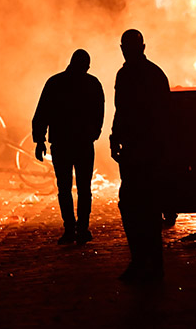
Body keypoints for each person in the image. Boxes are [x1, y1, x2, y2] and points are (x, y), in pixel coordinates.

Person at [111, 29, 170, 283]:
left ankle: (144, 262)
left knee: (136, 205)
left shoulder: (129, 75)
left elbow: (123, 110)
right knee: (143, 205)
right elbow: (122, 109)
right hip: (143, 149)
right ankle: (150, 263)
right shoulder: (153, 73)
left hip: (141, 149)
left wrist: (116, 137)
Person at [33, 49, 105, 245]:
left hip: (61, 143)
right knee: (84, 189)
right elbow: (99, 112)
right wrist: (94, 134)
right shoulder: (92, 84)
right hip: (83, 144)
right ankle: (82, 229)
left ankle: (70, 229)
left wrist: (39, 140)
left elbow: (42, 113)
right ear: (86, 66)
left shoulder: (55, 83)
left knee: (64, 188)